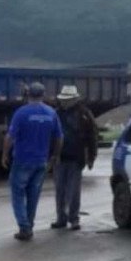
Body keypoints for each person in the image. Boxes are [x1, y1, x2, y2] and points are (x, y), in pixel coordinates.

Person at [1, 82, 63, 241]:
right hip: (41, 161)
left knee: (17, 194)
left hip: (22, 160)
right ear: (43, 95)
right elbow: (59, 137)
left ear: (28, 94)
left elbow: (10, 136)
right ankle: (29, 224)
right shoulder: (51, 113)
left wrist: (4, 155)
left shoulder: (21, 113)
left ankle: (24, 227)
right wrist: (55, 156)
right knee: (33, 195)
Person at [51, 85, 98, 231]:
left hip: (76, 158)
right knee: (60, 190)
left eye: (68, 99)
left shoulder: (84, 114)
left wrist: (91, 157)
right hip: (59, 158)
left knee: (73, 190)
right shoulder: (56, 114)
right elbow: (50, 136)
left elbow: (92, 137)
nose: (65, 102)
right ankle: (61, 218)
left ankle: (73, 218)